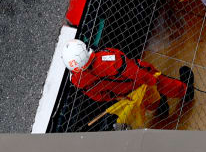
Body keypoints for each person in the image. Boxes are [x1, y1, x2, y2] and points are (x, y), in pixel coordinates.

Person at [62, 39, 192, 116]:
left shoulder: (78, 80)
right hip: (136, 80)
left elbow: (99, 96)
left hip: (127, 93)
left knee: (146, 101)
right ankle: (185, 91)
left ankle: (160, 108)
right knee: (162, 84)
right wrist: (151, 79)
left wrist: (116, 97)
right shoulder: (107, 60)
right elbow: (133, 71)